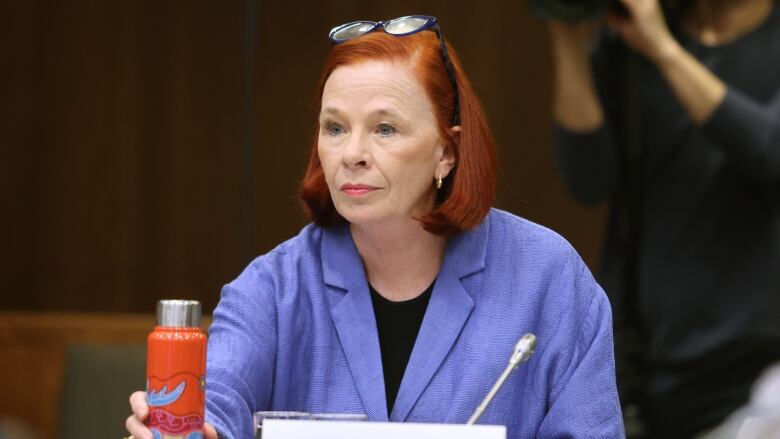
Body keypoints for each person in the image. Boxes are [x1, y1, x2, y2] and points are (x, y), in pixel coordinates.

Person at [127, 15, 624, 439]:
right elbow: (219, 396)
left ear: (446, 153)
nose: (352, 154)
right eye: (335, 127)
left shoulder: (548, 278)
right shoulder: (273, 287)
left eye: (384, 129)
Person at [549, 0, 780, 437]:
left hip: (757, 366)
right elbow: (588, 181)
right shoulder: (631, 41)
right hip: (645, 362)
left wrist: (665, 50)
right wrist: (569, 42)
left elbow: (770, 150)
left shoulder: (655, 42)